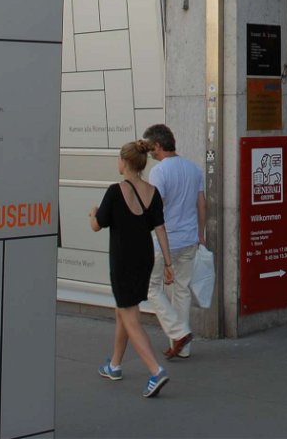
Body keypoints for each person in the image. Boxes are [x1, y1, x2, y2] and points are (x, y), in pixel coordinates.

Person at [89, 139, 174, 398]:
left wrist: (92, 212)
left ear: (124, 162)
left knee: (130, 316)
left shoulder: (115, 191)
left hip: (123, 260)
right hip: (144, 258)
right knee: (123, 311)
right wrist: (169, 264)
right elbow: (160, 229)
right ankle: (114, 365)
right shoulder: (152, 192)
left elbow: (97, 225)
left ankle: (155, 371)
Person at [142, 123, 205, 360]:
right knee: (182, 290)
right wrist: (201, 235)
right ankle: (183, 347)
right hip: (189, 238)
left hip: (166, 241)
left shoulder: (159, 172)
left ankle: (179, 333)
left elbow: (155, 208)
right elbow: (202, 205)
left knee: (152, 288)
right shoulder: (193, 168)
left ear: (157, 145)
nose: (149, 152)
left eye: (150, 147)